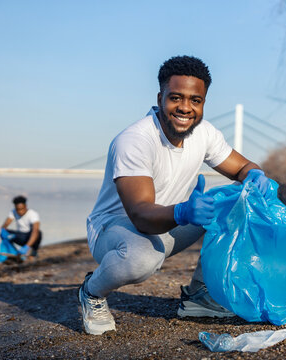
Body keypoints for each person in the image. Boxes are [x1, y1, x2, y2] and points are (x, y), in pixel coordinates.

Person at [79, 55, 274, 335]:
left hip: (171, 220)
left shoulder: (205, 133)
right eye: (176, 98)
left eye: (195, 100)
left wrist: (255, 174)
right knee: (142, 258)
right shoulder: (135, 140)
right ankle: (92, 292)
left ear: (204, 102)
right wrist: (183, 211)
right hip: (116, 230)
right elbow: (141, 216)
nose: (185, 108)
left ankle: (199, 297)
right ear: (160, 97)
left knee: (237, 203)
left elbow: (243, 166)